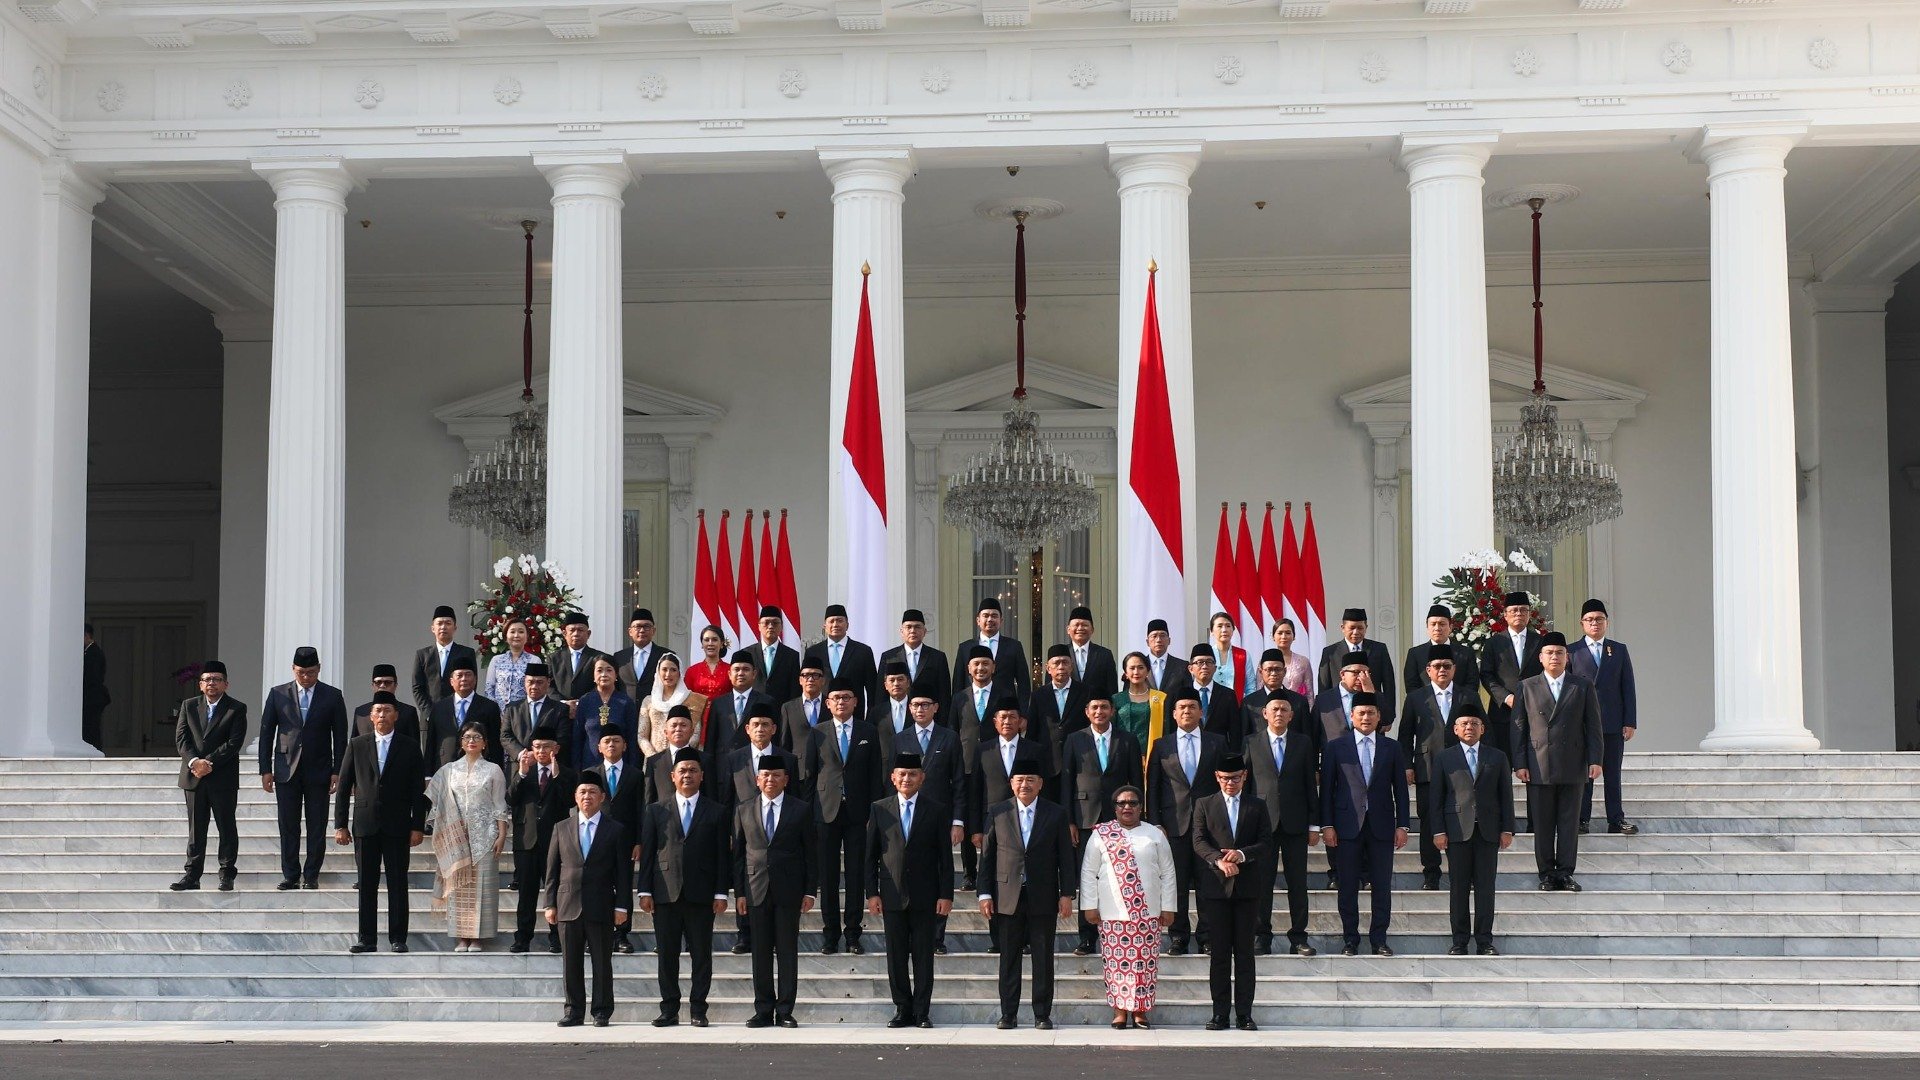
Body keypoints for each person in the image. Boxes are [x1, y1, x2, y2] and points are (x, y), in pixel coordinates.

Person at [978, 757, 1075, 1030]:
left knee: (1043, 958)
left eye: (1030, 780)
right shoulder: (997, 812)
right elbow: (987, 857)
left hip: (1043, 895)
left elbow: (1066, 858)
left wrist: (1067, 893)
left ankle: (1042, 1014)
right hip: (1007, 896)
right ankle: (1008, 1014)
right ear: (1011, 783)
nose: (1025, 785)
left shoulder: (1056, 813)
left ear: (1040, 784)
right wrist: (984, 894)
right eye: (1019, 780)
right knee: (1009, 957)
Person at [639, 748, 731, 1028]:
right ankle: (669, 1010)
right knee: (667, 955)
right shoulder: (656, 810)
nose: (687, 775)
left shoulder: (717, 811)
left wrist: (721, 892)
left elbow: (722, 856)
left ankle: (698, 1010)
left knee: (701, 955)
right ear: (672, 776)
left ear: (702, 776)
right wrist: (644, 890)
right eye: (683, 770)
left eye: (693, 770)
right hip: (665, 892)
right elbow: (649, 853)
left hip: (702, 894)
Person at [866, 752, 955, 1029]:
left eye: (912, 774)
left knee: (923, 955)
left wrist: (946, 894)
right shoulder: (880, 808)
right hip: (891, 894)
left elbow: (945, 857)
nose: (907, 779)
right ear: (893, 778)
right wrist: (872, 892)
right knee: (895, 955)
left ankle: (921, 1011)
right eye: (902, 774)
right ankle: (902, 1008)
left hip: (926, 895)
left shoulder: (937, 809)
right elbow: (870, 855)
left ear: (922, 778)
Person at [333, 692, 427, 952]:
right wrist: (340, 824)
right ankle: (367, 939)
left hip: (398, 825)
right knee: (366, 883)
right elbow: (343, 787)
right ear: (370, 716)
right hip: (365, 823)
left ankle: (398, 938)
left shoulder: (409, 746)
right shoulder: (357, 744)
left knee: (398, 883)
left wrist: (417, 825)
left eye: (387, 710)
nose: (383, 715)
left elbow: (417, 790)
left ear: (396, 715)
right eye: (378, 710)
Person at [1513, 631, 1604, 892]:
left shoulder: (1582, 685)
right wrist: (1520, 762)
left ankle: (1565, 873)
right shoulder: (1526, 686)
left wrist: (1595, 759)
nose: (1555, 657)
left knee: (1568, 823)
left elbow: (1593, 726)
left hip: (1573, 763)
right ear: (1541, 658)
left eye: (1560, 653)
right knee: (1542, 824)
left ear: (1568, 657)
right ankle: (1546, 873)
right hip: (1539, 763)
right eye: (1550, 653)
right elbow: (1518, 727)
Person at [1081, 784, 1177, 1030]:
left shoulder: (1154, 834)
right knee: (1116, 964)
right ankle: (1120, 1011)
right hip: (1113, 913)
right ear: (1114, 808)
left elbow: (1168, 873)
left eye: (1132, 803)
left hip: (1148, 912)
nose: (1127, 807)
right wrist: (1089, 906)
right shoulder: (1101, 834)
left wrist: (1169, 907)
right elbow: (1089, 872)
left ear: (1141, 807)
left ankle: (1141, 1012)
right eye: (1121, 803)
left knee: (1145, 963)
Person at [1320, 692, 1409, 956]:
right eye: (1361, 713)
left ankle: (1379, 939)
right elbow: (1327, 790)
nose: (1366, 717)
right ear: (1352, 716)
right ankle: (1351, 939)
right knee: (1347, 886)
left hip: (1381, 826)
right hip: (1347, 826)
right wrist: (1327, 825)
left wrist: (1402, 825)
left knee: (1381, 886)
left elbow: (1401, 791)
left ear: (1379, 716)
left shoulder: (1391, 747)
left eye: (1371, 713)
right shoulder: (1335, 747)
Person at [545, 774, 633, 1027]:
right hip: (567, 904)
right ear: (575, 796)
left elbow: (623, 874)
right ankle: (573, 1011)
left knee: (602, 962)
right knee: (570, 962)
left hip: (602, 904)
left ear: (602, 797)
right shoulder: (561, 828)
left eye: (592, 792)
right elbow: (551, 870)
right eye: (582, 791)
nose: (587, 796)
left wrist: (622, 906)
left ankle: (602, 1010)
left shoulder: (615, 829)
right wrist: (549, 903)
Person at [733, 758, 816, 1028]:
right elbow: (738, 855)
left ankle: (785, 1010)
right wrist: (740, 893)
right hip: (756, 889)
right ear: (758, 779)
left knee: (787, 951)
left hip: (789, 890)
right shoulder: (744, 810)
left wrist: (809, 891)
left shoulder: (801, 809)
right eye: (765, 775)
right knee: (760, 952)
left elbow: (810, 853)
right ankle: (763, 1009)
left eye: (776, 775)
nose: (770, 779)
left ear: (785, 779)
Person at [258, 646, 348, 890]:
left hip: (319, 768)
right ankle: (290, 874)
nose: (306, 677)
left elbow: (340, 737)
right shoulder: (278, 694)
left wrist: (337, 770)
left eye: (310, 672)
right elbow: (266, 733)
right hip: (286, 769)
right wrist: (265, 768)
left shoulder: (332, 695)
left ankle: (311, 875)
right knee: (288, 824)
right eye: (301, 672)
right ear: (293, 669)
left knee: (317, 824)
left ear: (318, 669)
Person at [804, 677, 883, 954]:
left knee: (855, 874)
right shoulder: (818, 732)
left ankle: (852, 934)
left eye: (846, 697)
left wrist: (875, 811)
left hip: (859, 813)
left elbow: (876, 774)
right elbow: (810, 776)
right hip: (825, 811)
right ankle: (830, 935)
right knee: (827, 876)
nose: (841, 702)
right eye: (836, 698)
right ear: (828, 703)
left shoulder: (868, 731)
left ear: (855, 701)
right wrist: (807, 814)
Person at [1059, 696, 1143, 955]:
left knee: (1120, 877)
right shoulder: (1075, 739)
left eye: (1104, 707)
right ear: (1086, 711)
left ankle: (1118, 934)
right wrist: (1069, 820)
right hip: (1085, 819)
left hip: (1121, 819)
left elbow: (1136, 781)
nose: (1099, 711)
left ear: (1112, 710)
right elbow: (1067, 781)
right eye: (1094, 707)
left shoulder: (1127, 739)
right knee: (1089, 878)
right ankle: (1086, 937)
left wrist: (1139, 817)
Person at [1193, 754, 1270, 1030]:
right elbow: (1199, 840)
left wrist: (1240, 854)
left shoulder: (1257, 805)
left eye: (1235, 778)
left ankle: (1244, 1014)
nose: (1230, 783)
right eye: (1225, 779)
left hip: (1248, 888)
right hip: (1216, 888)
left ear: (1244, 777)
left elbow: (1265, 841)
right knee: (1220, 954)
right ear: (1217, 777)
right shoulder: (1204, 804)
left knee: (1245, 954)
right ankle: (1220, 1014)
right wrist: (1219, 860)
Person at [1430, 710, 1516, 955]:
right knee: (1458, 889)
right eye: (1464, 723)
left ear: (1483, 729)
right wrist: (1438, 831)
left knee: (1485, 889)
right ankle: (1459, 941)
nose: (1469, 727)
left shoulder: (1497, 757)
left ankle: (1484, 941)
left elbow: (1505, 797)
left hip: (1488, 832)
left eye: (1474, 723)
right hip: (1457, 831)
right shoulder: (1444, 758)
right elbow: (1436, 798)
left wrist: (1507, 828)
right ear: (1455, 729)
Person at [1145, 686, 1222, 954]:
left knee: (1208, 882)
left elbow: (1224, 784)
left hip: (1209, 827)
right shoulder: (1162, 745)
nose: (1187, 711)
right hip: (1173, 826)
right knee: (1175, 884)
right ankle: (1178, 937)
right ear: (1174, 714)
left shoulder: (1217, 742)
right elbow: (1153, 787)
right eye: (1182, 708)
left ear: (1201, 712)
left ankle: (1207, 937)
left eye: (1192, 707)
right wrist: (1155, 822)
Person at [1243, 694, 1319, 956]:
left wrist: (1314, 824)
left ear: (1291, 715)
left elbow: (1310, 784)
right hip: (1261, 826)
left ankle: (1299, 937)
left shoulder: (1303, 743)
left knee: (1297, 883)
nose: (1278, 713)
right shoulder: (1251, 742)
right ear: (1264, 713)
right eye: (1274, 709)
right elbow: (1246, 786)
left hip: (1295, 823)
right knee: (1261, 883)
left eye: (1283, 709)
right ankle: (1261, 936)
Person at [425, 720, 510, 952]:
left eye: (476, 737)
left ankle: (478, 938)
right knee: (459, 888)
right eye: (467, 737)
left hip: (485, 835)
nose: (471, 741)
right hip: (455, 836)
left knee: (481, 888)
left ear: (485, 743)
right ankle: (462, 936)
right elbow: (436, 798)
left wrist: (502, 834)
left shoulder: (493, 770)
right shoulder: (449, 770)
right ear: (461, 743)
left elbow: (499, 804)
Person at [718, 707, 798, 955]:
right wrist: (730, 831)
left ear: (774, 729)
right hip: (745, 828)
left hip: (779, 831)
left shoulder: (788, 759)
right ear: (747, 729)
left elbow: (794, 799)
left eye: (766, 724)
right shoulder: (734, 758)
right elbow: (727, 798)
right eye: (756, 724)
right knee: (744, 879)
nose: (761, 729)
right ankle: (744, 934)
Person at [1400, 644, 1475, 891]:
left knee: (1460, 819)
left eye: (1447, 666)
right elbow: (1405, 734)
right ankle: (1431, 873)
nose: (1442, 670)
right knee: (1429, 821)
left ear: (1454, 669)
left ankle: (1461, 872)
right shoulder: (1415, 698)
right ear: (1428, 670)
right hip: (1427, 768)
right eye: (1437, 666)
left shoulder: (1468, 695)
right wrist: (1407, 766)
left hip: (1462, 769)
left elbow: (1483, 731)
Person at [172, 660, 248, 892]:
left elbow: (234, 742)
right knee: (196, 828)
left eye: (216, 679)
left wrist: (209, 762)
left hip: (222, 777)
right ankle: (192, 875)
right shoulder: (189, 705)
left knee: (226, 826)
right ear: (200, 685)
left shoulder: (236, 708)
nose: (211, 683)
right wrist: (195, 762)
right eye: (206, 680)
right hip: (194, 776)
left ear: (226, 684)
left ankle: (226, 874)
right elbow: (181, 739)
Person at [1569, 598, 1639, 835]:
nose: (1595, 623)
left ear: (1607, 622)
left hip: (1612, 722)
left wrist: (1630, 721)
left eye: (1599, 619)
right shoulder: (1572, 651)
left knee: (1612, 774)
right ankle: (1581, 819)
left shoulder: (1618, 650)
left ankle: (1616, 819)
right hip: (1582, 724)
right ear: (1582, 623)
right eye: (1589, 619)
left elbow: (1627, 687)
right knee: (1584, 774)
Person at [507, 725, 574, 954]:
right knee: (526, 892)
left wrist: (556, 776)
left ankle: (556, 938)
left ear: (556, 748)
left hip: (555, 842)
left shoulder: (565, 773)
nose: (542, 751)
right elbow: (511, 798)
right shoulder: (523, 771)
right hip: (526, 841)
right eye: (537, 747)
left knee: (555, 891)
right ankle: (522, 937)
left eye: (546, 747)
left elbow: (568, 802)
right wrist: (522, 773)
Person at [585, 728, 646, 953]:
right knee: (597, 886)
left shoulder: (635, 774)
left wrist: (639, 841)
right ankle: (597, 935)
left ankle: (622, 935)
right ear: (599, 747)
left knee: (623, 885)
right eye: (607, 741)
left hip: (626, 841)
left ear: (625, 746)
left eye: (616, 740)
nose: (611, 744)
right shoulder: (591, 774)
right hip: (596, 839)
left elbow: (641, 810)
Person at [946, 644, 998, 892]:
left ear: (993, 667)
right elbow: (952, 733)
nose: (981, 668)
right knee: (967, 819)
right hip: (965, 767)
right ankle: (969, 873)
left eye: (985, 663)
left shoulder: (1003, 694)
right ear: (968, 669)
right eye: (976, 664)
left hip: (995, 766)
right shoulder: (959, 698)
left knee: (993, 819)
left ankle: (995, 870)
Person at [1480, 591, 1542, 770]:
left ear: (1529, 614)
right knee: (1501, 768)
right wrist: (1507, 698)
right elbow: (1486, 675)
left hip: (1534, 712)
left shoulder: (1540, 642)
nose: (1519, 614)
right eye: (1514, 610)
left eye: (1523, 610)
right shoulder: (1494, 643)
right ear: (1505, 615)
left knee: (1534, 768)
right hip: (1502, 713)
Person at [1316, 608, 1396, 731]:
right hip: (1339, 714)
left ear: (1366, 627)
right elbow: (1324, 686)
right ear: (1343, 627)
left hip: (1371, 713)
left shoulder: (1379, 649)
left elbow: (1389, 684)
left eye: (1360, 628)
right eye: (1351, 628)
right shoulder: (1330, 652)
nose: (1356, 632)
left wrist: (1389, 716)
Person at [426, 655, 502, 773]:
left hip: (478, 769)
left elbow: (496, 744)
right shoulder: (439, 707)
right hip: (444, 768)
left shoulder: (489, 707)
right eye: (459, 675)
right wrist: (428, 775)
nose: (464, 679)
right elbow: (431, 743)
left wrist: (498, 772)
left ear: (475, 679)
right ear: (451, 681)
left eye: (468, 674)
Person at [950, 596, 1030, 703]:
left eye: (994, 616)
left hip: (1004, 709)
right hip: (973, 708)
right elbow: (958, 684)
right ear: (978, 620)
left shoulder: (1014, 646)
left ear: (1001, 620)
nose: (990, 619)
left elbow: (1024, 683)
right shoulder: (965, 648)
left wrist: (1022, 714)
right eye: (986, 615)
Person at [880, 608, 951, 725]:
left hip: (928, 718)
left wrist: (943, 723)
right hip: (897, 717)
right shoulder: (889, 657)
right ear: (901, 631)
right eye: (908, 627)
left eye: (917, 627)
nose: (913, 630)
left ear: (924, 631)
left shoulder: (937, 657)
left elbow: (944, 694)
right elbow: (881, 693)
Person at [804, 604, 879, 714]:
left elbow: (872, 689)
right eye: (831, 621)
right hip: (822, 717)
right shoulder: (813, 652)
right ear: (824, 626)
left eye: (839, 621)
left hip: (854, 717)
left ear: (847, 625)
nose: (835, 625)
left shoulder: (863, 651)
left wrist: (871, 718)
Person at [1028, 643, 1090, 766]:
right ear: (1048, 668)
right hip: (1048, 761)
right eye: (1056, 663)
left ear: (1071, 666)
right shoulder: (1038, 695)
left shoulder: (1085, 692)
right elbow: (1032, 732)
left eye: (1065, 662)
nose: (1061, 667)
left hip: (1080, 759)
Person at [636, 652, 706, 759]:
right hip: (654, 761)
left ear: (679, 673)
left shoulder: (691, 699)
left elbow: (695, 733)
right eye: (664, 669)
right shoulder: (649, 701)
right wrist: (655, 758)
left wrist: (678, 754)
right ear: (658, 672)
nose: (668, 674)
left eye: (673, 670)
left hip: (683, 759)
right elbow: (642, 736)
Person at [500, 662, 568, 771]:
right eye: (530, 682)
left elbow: (562, 737)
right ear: (524, 683)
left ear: (548, 682)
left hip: (548, 767)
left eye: (539, 682)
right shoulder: (512, 708)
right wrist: (522, 754)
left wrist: (538, 755)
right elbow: (505, 735)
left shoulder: (560, 709)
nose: (534, 687)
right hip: (518, 767)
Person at [411, 604, 477, 718]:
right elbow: (417, 687)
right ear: (433, 628)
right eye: (439, 623)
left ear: (455, 628)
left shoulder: (467, 653)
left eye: (448, 623)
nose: (443, 627)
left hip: (459, 715)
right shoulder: (422, 655)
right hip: (429, 718)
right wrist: (430, 713)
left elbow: (471, 684)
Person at [704, 650, 773, 756]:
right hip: (723, 765)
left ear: (754, 674)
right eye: (736, 669)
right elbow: (710, 741)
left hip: (753, 764)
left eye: (746, 669)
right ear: (729, 674)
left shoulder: (766, 701)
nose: (741, 673)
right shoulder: (718, 703)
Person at [1402, 605, 1480, 698]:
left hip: (1459, 708)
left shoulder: (1466, 653)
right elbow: (1412, 686)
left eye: (1442, 624)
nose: (1437, 628)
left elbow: (1472, 684)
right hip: (1426, 708)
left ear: (1450, 627)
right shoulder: (1415, 654)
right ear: (1427, 626)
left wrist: (1457, 703)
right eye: (1433, 624)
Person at [572, 656, 635, 771]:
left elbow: (632, 740)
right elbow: (577, 739)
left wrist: (632, 771)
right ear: (594, 676)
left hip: (619, 768)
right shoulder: (585, 701)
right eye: (599, 670)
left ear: (616, 675)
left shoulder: (626, 702)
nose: (604, 674)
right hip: (589, 767)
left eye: (609, 670)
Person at [1241, 648, 1312, 748]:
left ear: (1285, 671)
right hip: (1260, 760)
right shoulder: (1249, 703)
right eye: (1269, 669)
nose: (1273, 673)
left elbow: (1307, 739)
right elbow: (1244, 740)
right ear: (1261, 672)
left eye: (1277, 669)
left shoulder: (1299, 702)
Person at [642, 706, 713, 806]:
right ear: (666, 732)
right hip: (663, 820)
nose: (678, 729)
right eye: (674, 725)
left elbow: (711, 797)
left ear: (692, 731)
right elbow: (648, 799)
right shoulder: (655, 762)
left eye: (683, 725)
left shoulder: (705, 760)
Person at [546, 611, 608, 715]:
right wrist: (564, 703)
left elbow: (602, 683)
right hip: (559, 713)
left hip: (590, 711)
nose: (576, 634)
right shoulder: (554, 658)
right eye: (572, 630)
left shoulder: (598, 658)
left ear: (588, 634)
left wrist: (580, 703)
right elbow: (548, 685)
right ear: (565, 633)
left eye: (580, 630)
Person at [1112, 652, 1167, 763]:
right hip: (1122, 757)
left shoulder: (1160, 698)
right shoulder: (1116, 699)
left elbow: (1166, 730)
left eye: (1140, 668)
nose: (1136, 672)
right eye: (1132, 668)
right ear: (1126, 673)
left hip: (1153, 757)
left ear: (1148, 671)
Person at [1187, 643, 1243, 744]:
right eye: (1200, 662)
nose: (1204, 666)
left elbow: (1235, 731)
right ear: (1191, 668)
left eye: (1209, 662)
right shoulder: (1182, 694)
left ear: (1215, 668)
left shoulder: (1228, 695)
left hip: (1220, 755)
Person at [1062, 605, 1119, 704]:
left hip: (1096, 714)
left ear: (1092, 629)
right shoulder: (1061, 653)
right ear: (1068, 629)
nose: (1080, 628)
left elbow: (1112, 690)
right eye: (1076, 625)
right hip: (1067, 714)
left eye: (1085, 625)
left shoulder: (1104, 654)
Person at [745, 605, 801, 704]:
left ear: (781, 627)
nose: (770, 626)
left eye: (775, 623)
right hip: (753, 710)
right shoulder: (747, 654)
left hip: (781, 711)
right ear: (759, 626)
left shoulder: (792, 655)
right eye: (766, 623)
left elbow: (794, 690)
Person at [355, 664, 421, 747]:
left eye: (387, 682)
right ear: (373, 686)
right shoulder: (361, 713)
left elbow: (414, 748)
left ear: (395, 686)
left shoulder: (408, 712)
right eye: (378, 682)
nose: (382, 686)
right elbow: (354, 747)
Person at [778, 658, 829, 754]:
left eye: (815, 675)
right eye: (806, 675)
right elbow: (784, 743)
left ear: (823, 680)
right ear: (800, 680)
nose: (810, 679)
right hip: (799, 766)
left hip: (827, 765)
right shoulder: (788, 708)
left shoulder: (831, 705)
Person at [482, 617, 537, 706]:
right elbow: (489, 689)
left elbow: (536, 690)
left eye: (521, 632)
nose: (516, 635)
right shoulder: (496, 660)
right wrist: (494, 712)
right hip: (497, 714)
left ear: (527, 637)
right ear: (505, 637)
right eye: (512, 632)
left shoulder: (534, 660)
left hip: (523, 715)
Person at [613, 608, 664, 705]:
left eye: (647, 626)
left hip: (655, 711)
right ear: (630, 631)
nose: (642, 630)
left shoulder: (664, 656)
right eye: (637, 627)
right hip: (625, 712)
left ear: (653, 631)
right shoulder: (619, 657)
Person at [683, 624, 734, 706]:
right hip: (698, 716)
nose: (710, 643)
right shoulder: (692, 671)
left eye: (714, 640)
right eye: (706, 640)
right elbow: (686, 698)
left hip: (724, 716)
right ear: (702, 644)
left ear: (721, 644)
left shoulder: (730, 670)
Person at [870, 660, 915, 749]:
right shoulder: (876, 712)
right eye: (892, 680)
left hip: (913, 761)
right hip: (885, 762)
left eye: (900, 679)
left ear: (908, 683)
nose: (896, 684)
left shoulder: (917, 709)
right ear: (886, 685)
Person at [1141, 619, 1189, 696]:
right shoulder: (1139, 666)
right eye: (1154, 636)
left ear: (1169, 640)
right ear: (1147, 642)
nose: (1158, 640)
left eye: (1162, 635)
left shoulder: (1182, 666)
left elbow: (1188, 696)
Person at [1268, 619, 1313, 697]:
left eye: (1288, 633)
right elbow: (1259, 689)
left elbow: (1309, 693)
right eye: (1280, 633)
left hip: (1297, 707)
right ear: (1273, 636)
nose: (1284, 636)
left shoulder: (1303, 662)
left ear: (1294, 636)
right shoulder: (1266, 661)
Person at [81, 623, 109, 752]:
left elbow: (92, 677)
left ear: (86, 635)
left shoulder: (93, 653)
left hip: (92, 698)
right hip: (92, 697)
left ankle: (94, 750)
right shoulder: (90, 652)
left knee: (91, 727)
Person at [1204, 612, 1244, 697]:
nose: (1224, 630)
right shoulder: (1206, 655)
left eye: (1228, 626)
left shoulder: (1243, 655)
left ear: (1233, 630)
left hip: (1237, 705)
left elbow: (1250, 686)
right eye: (1219, 626)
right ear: (1211, 631)